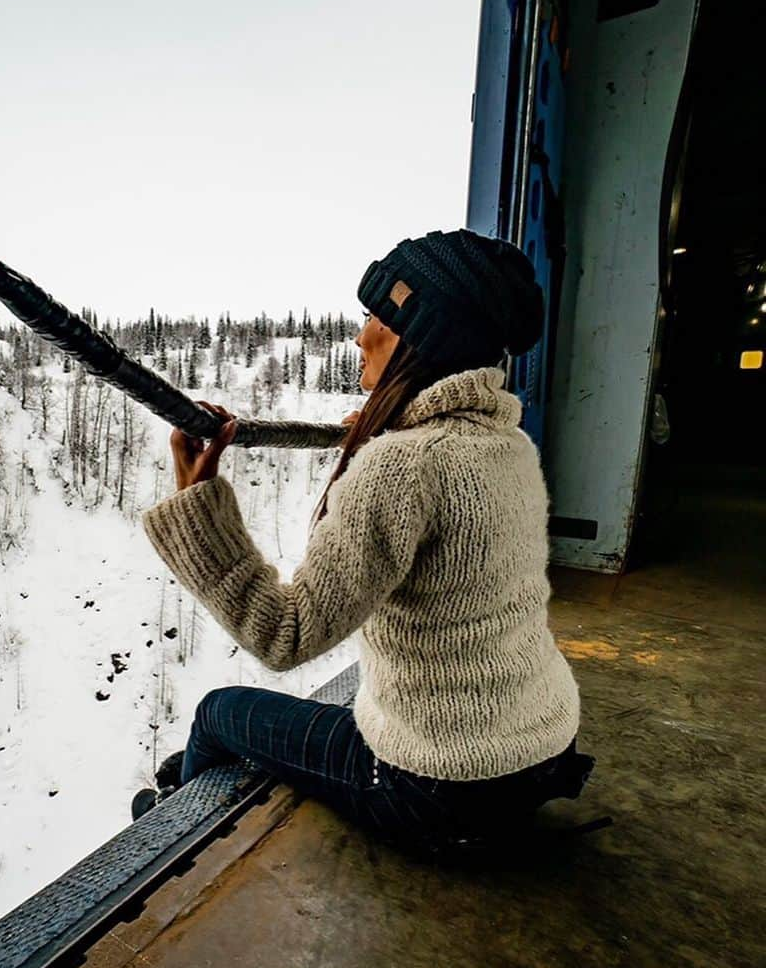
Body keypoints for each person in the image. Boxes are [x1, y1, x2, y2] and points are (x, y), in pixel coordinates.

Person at [132, 229, 595, 858]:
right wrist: (384, 422)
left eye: (374, 315)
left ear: (419, 334)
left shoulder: (401, 466)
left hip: (441, 790)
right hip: (541, 747)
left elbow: (285, 634)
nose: (359, 334)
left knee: (218, 712)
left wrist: (199, 508)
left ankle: (166, 834)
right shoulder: (505, 447)